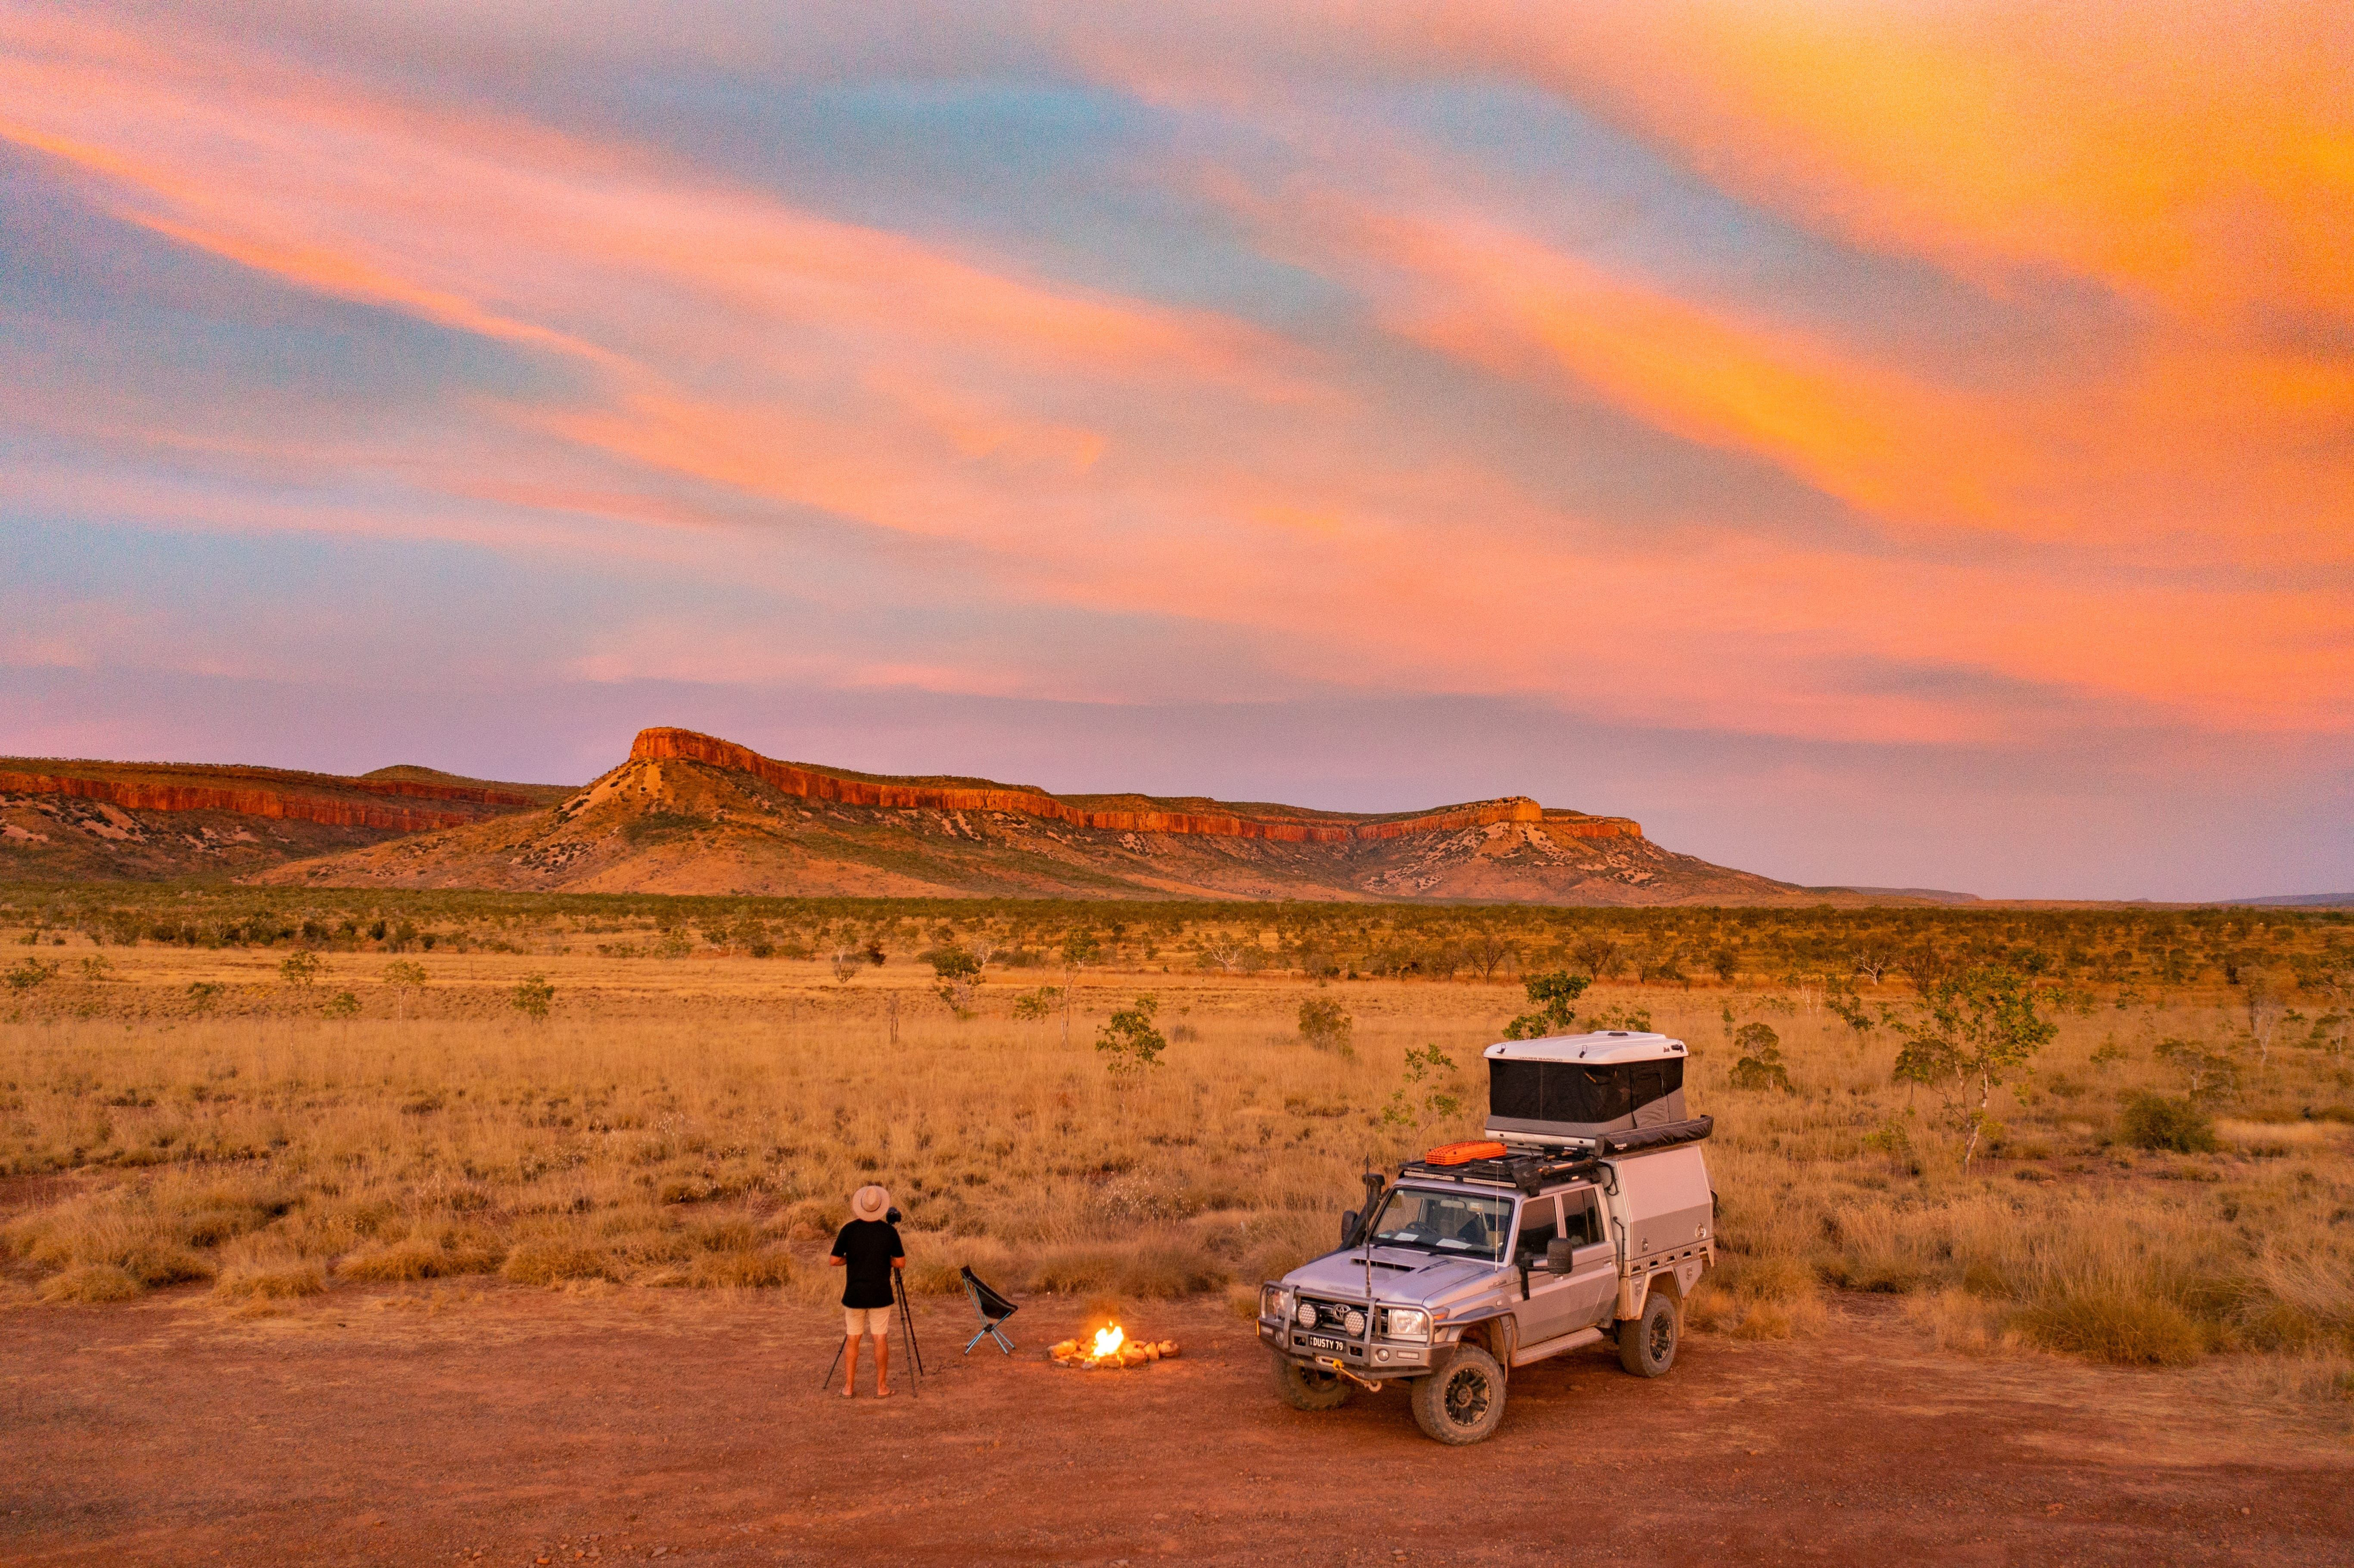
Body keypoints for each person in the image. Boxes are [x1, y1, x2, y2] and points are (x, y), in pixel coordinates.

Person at [829, 1184, 906, 1398]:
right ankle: (881, 1387)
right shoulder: (889, 1232)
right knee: (880, 1338)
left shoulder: (848, 1230)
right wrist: (886, 1261)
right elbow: (901, 1262)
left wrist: (850, 1260)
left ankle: (848, 1387)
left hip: (854, 1294)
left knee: (853, 1338)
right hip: (881, 1294)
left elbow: (833, 1260)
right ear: (881, 1208)